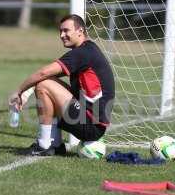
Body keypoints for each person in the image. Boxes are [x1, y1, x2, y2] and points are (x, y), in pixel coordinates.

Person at [9, 14, 115, 156]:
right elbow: (47, 75)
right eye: (60, 31)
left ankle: (44, 145)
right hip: (90, 121)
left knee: (44, 85)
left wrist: (18, 91)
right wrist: (26, 93)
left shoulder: (82, 53)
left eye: (66, 30)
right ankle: (55, 145)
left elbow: (43, 74)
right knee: (46, 82)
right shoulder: (87, 50)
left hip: (90, 126)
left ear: (80, 31)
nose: (62, 35)